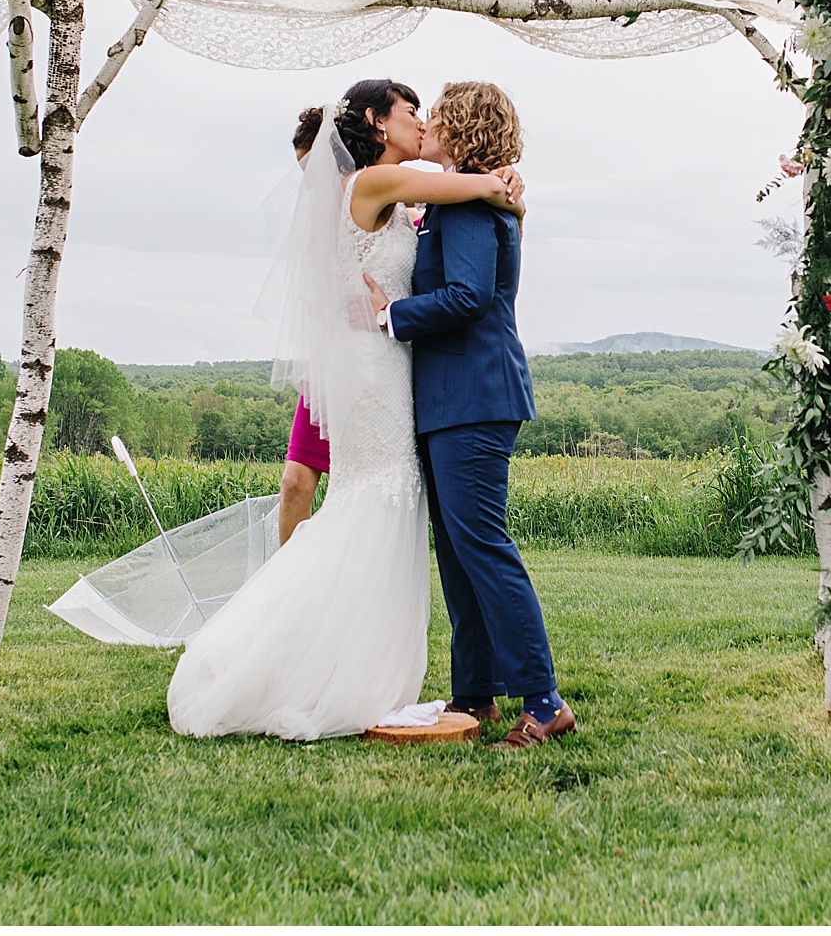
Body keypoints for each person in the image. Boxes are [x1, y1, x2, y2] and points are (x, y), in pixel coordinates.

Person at [167, 79, 522, 740]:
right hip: (373, 363)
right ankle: (297, 663)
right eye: (409, 111)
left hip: (385, 361)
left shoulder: (376, 190)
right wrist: (497, 182)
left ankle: (352, 668)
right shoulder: (369, 183)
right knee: (374, 503)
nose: (420, 121)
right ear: (374, 121)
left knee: (378, 505)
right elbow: (454, 186)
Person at [364, 81, 572, 750]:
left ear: (461, 129)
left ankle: (544, 701)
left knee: (483, 546)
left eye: (437, 117)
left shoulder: (471, 210)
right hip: (450, 399)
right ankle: (475, 693)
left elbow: (469, 296)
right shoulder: (468, 198)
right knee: (457, 555)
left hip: (476, 395)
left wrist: (390, 315)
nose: (424, 126)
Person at [278, 107, 330, 545]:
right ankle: (288, 588)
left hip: (380, 356)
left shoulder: (401, 196)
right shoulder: (319, 216)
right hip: (330, 360)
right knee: (295, 481)